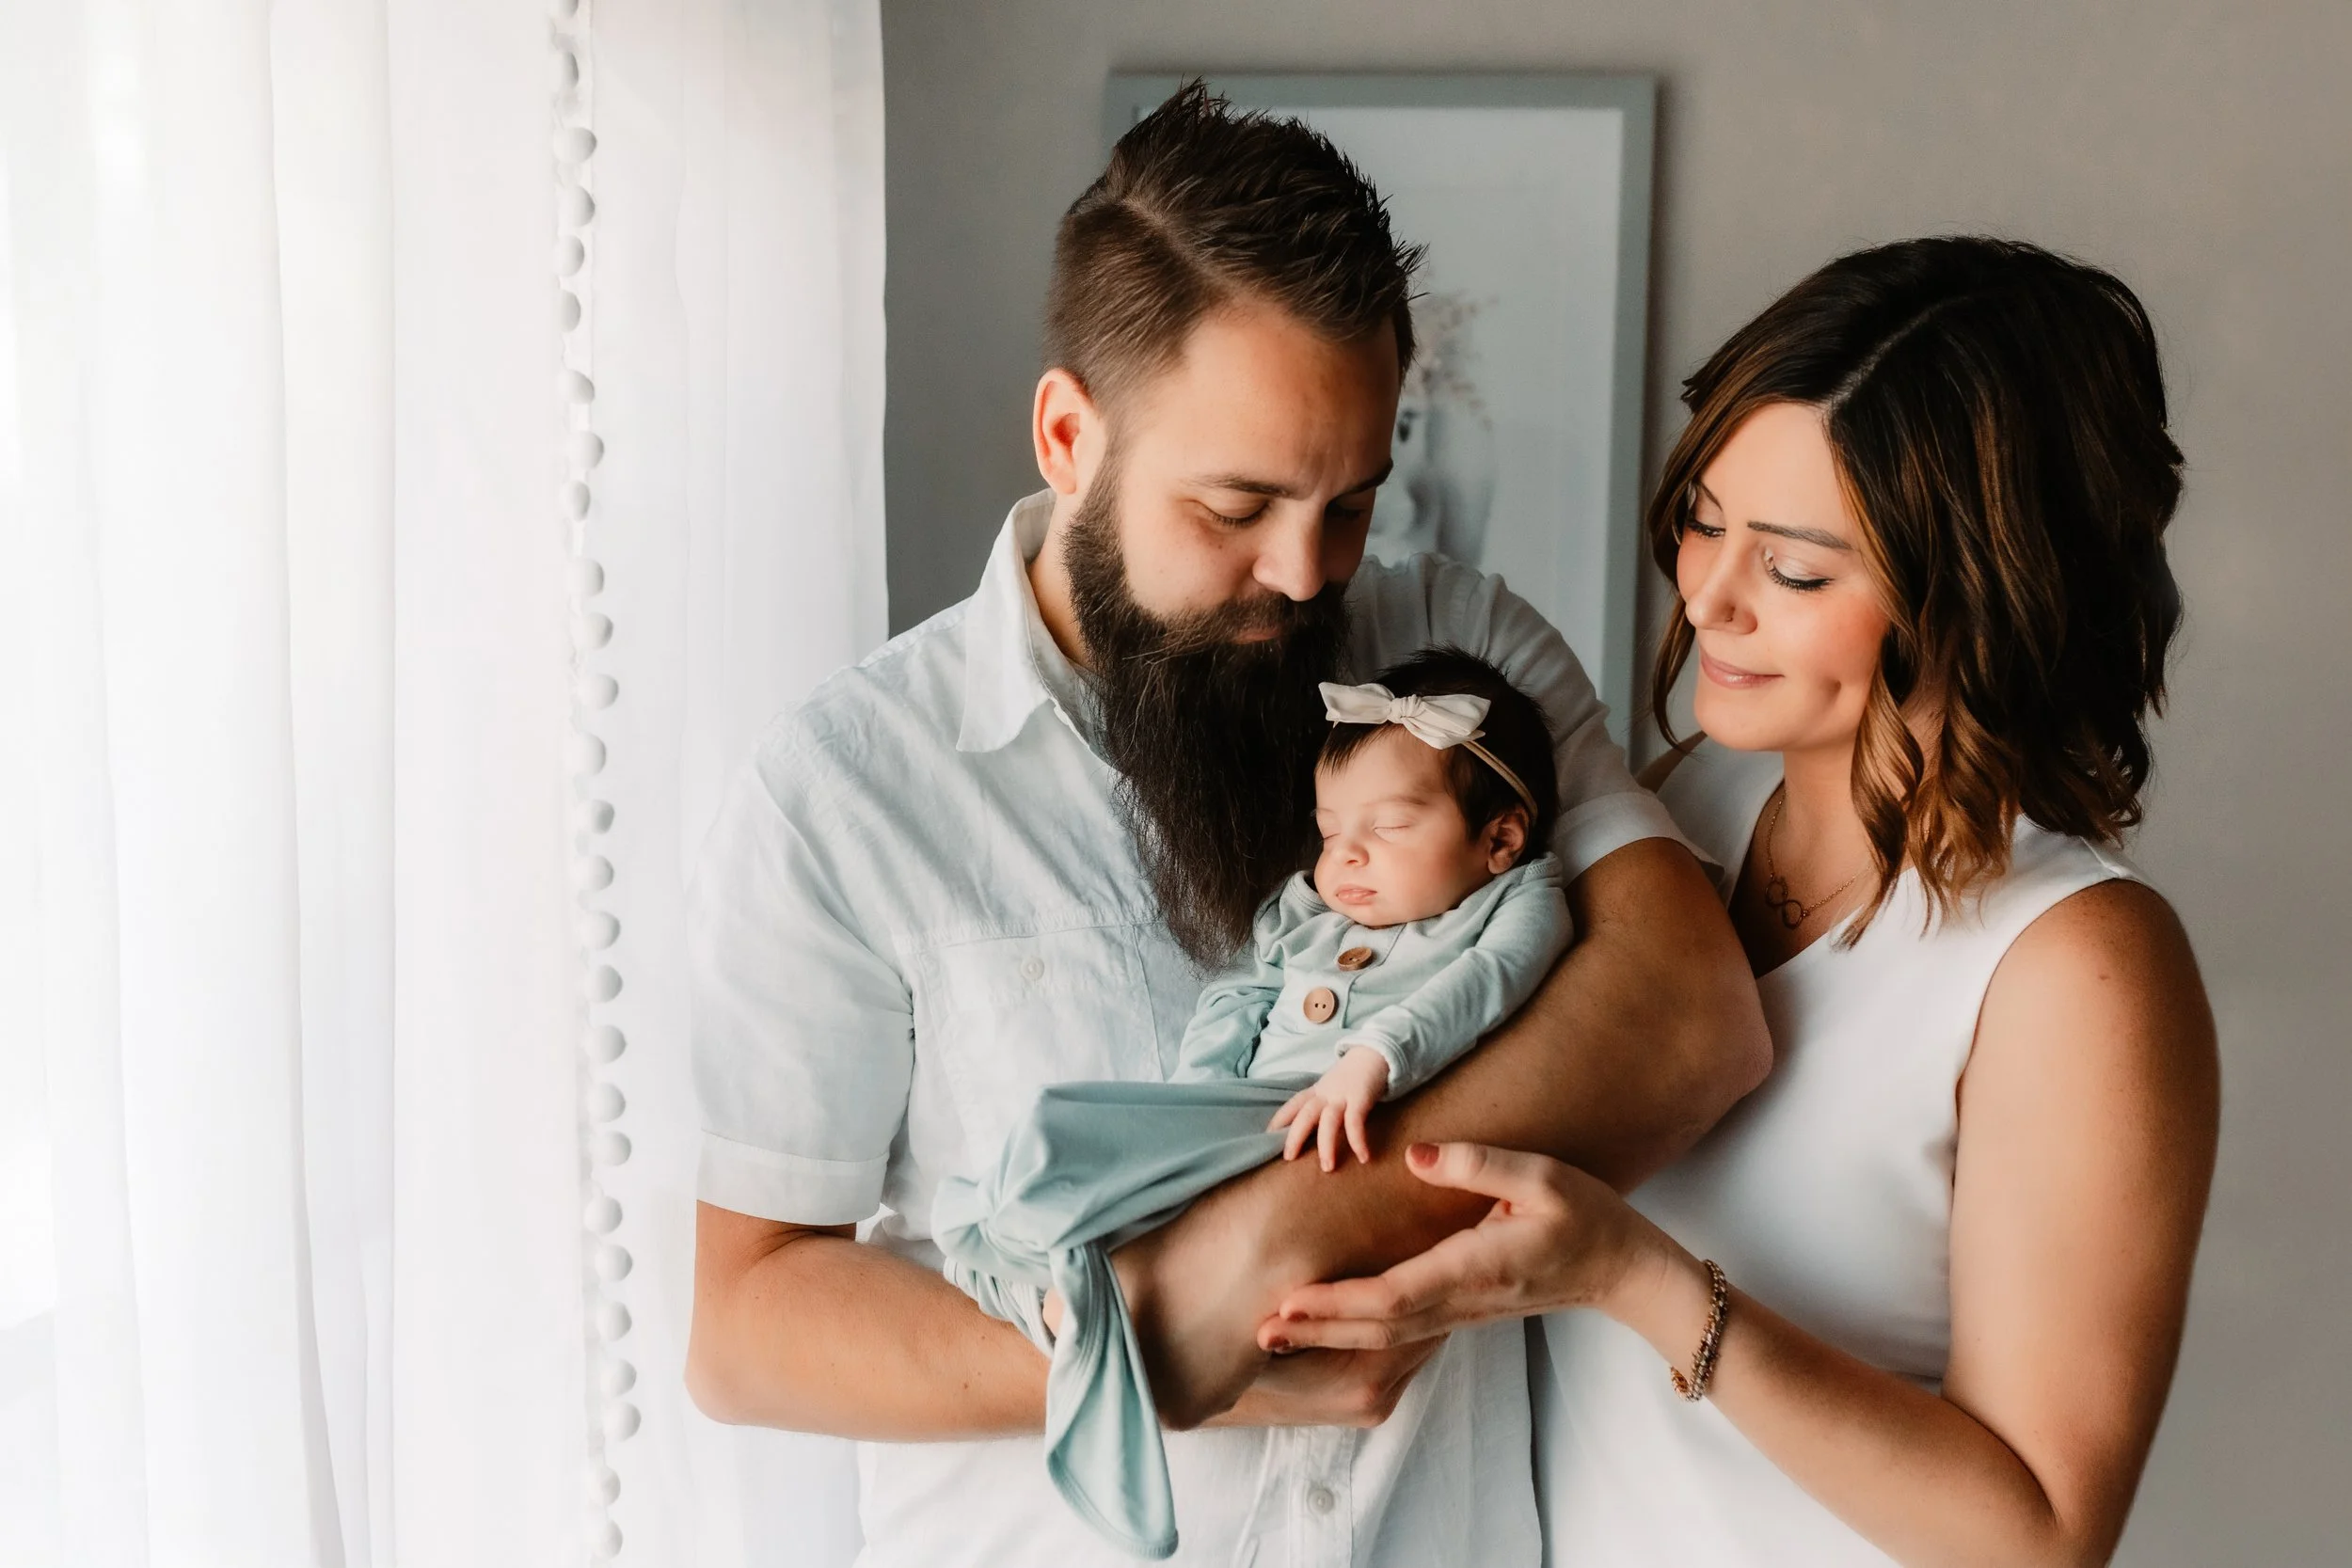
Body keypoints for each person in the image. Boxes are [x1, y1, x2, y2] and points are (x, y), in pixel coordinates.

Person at [683, 82, 1770, 1568]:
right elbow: (746, 1320)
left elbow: (1690, 1010)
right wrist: (1161, 1354)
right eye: (1237, 506)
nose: (1307, 574)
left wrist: (1288, 1237)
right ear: (1070, 433)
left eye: (1353, 503)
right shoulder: (842, 790)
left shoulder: (1467, 648)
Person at [1261, 236, 2220, 1567]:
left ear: (1985, 598)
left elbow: (2039, 1535)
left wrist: (1635, 1278)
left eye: (1798, 569)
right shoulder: (1687, 805)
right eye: (1706, 519)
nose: (1706, 595)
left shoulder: (2078, 964)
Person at [933, 650, 1572, 1558]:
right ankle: (1032, 1272)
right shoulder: (1307, 903)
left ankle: (1064, 1305)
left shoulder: (1523, 898)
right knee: (1059, 1139)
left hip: (1328, 1114)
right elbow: (1242, 990)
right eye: (1329, 829)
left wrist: (1375, 1058)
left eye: (1388, 828)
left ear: (1500, 839)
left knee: (1062, 1151)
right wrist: (1202, 1088)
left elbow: (1486, 986)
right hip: (1247, 1107)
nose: (1345, 855)